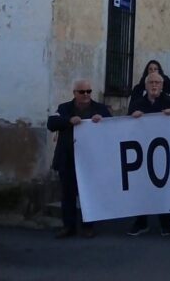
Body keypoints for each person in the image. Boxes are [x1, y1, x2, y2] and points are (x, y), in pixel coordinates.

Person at [48, 79, 110, 238]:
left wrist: (101, 120)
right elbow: (51, 123)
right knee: (67, 194)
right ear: (74, 93)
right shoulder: (64, 108)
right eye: (82, 92)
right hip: (68, 158)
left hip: (90, 159)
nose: (86, 95)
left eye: (89, 91)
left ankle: (88, 226)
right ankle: (68, 226)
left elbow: (112, 124)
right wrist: (68, 121)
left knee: (88, 194)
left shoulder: (100, 108)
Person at [127, 73, 170, 237]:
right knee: (142, 188)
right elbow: (126, 126)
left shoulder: (169, 102)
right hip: (142, 152)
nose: (154, 85)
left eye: (157, 82)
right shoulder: (137, 104)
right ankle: (141, 222)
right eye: (151, 82)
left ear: (162, 86)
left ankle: (165, 223)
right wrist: (133, 118)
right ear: (146, 86)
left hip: (164, 152)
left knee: (164, 188)